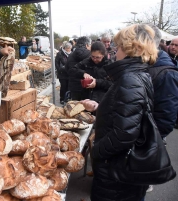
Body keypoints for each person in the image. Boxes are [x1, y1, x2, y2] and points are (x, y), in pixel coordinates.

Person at [81, 24, 158, 201]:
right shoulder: (136, 74)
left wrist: (97, 152)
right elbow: (128, 115)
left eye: (119, 47)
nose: (115, 52)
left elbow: (125, 134)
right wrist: (99, 107)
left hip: (116, 170)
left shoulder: (130, 79)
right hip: (120, 168)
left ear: (131, 49)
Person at [144, 24, 178, 193]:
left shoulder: (167, 73)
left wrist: (148, 138)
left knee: (141, 184)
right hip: (139, 137)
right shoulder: (146, 64)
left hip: (147, 139)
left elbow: (167, 117)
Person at [65, 36, 91, 101]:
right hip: (87, 85)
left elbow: (67, 69)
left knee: (75, 107)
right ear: (87, 45)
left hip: (74, 87)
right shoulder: (90, 55)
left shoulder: (71, 55)